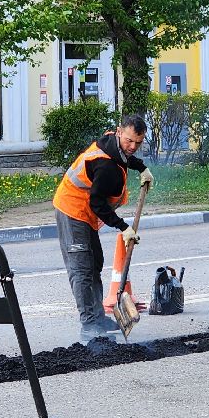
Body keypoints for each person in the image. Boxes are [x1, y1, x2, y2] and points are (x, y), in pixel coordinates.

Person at [53, 115, 154, 340]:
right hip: (72, 210)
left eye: (138, 143)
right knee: (81, 269)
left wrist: (142, 168)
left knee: (95, 262)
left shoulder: (113, 144)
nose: (132, 147)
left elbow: (125, 158)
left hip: (86, 213)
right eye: (129, 141)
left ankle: (98, 317)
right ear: (119, 132)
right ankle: (89, 324)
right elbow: (97, 204)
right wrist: (123, 227)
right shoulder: (106, 166)